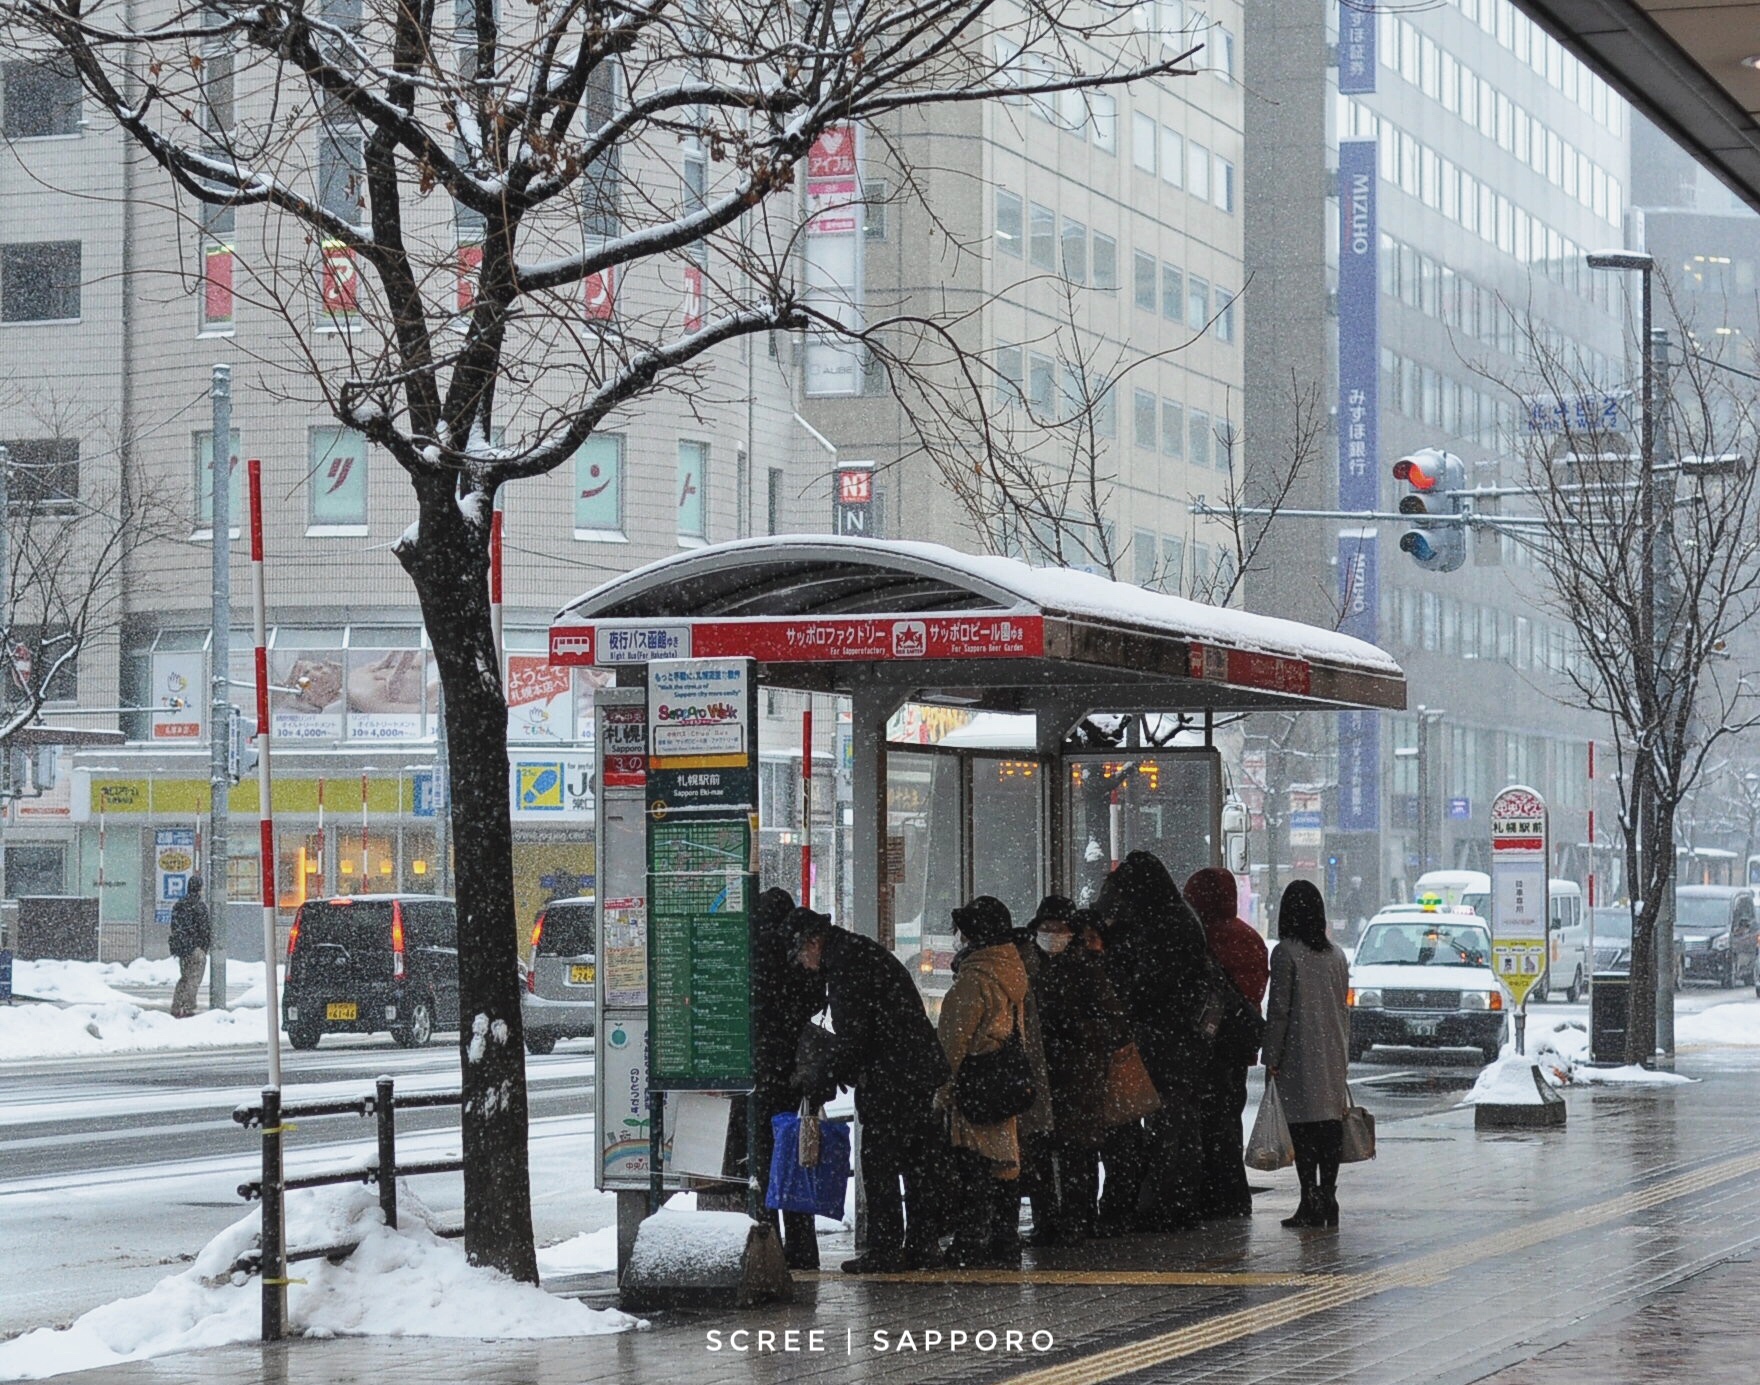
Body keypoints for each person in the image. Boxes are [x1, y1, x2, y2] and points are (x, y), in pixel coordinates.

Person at [791, 907, 950, 1272]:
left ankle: (886, 1249)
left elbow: (853, 1036)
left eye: (802, 954)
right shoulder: (856, 954)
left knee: (880, 1163)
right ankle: (923, 1245)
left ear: (814, 942)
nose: (803, 963)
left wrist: (822, 1078)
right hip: (912, 1070)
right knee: (916, 1161)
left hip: (893, 1075)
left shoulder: (848, 966)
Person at [1094, 851, 1213, 1232]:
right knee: (1181, 1125)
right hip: (1184, 1041)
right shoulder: (1182, 916)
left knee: (1166, 1127)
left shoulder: (1161, 924)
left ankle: (1162, 1204)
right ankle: (1180, 1202)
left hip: (1164, 1040)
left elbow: (1147, 986)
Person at [936, 896, 1033, 1267]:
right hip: (1004, 1082)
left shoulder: (974, 982)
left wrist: (941, 1095)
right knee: (1005, 1163)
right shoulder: (1013, 973)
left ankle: (971, 1241)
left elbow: (951, 1048)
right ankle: (1004, 1240)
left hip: (976, 1084)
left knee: (973, 1162)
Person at [735, 887, 825, 1269]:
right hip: (792, 1070)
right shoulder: (793, 955)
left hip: (757, 1069)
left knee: (759, 1160)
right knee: (794, 1156)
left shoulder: (750, 950)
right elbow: (814, 1000)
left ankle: (765, 1242)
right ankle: (803, 1247)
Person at [1032, 903, 1131, 1244]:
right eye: (1046, 926)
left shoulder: (1086, 969)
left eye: (1059, 927)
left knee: (1077, 1151)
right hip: (1045, 1074)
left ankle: (1078, 1219)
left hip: (1079, 1075)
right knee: (1044, 1149)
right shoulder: (1030, 967)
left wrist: (1073, 1031)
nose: (1052, 934)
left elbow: (1113, 1023)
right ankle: (1050, 1222)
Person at [1261, 880, 1351, 1230]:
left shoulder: (1285, 954)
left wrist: (1272, 1056)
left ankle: (1308, 1198)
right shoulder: (1336, 955)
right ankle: (1328, 1197)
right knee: (1329, 1126)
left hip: (1299, 1050)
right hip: (1330, 1049)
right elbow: (1343, 1008)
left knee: (1302, 1129)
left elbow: (1280, 1010)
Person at [1185, 867, 1270, 1220]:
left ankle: (1207, 1194)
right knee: (1229, 1119)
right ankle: (1233, 1194)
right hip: (1236, 1045)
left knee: (1203, 1121)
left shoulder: (1199, 937)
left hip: (1204, 1044)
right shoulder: (1249, 938)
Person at [168, 876, 211, 1019]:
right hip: (195, 948)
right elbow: (205, 929)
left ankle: (176, 1005)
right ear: (200, 888)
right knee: (194, 979)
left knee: (185, 977)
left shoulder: (179, 904)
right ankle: (188, 1008)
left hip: (182, 948)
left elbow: (174, 926)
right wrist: (203, 947)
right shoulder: (199, 906)